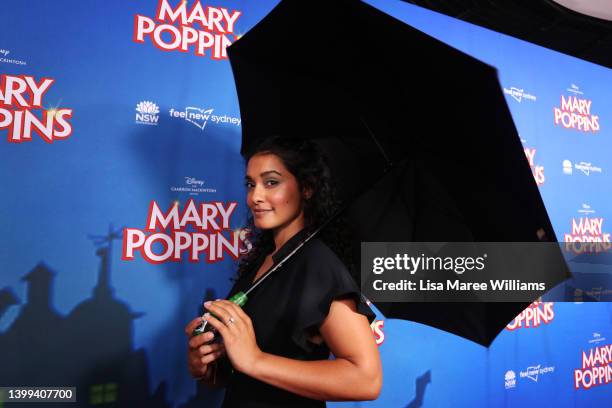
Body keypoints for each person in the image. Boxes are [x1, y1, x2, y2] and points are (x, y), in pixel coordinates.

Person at [185, 136, 382, 407]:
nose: (255, 197)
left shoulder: (317, 264)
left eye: (271, 182)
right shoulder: (263, 259)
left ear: (307, 188)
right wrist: (208, 367)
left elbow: (366, 379)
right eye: (250, 184)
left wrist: (255, 359)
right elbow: (244, 372)